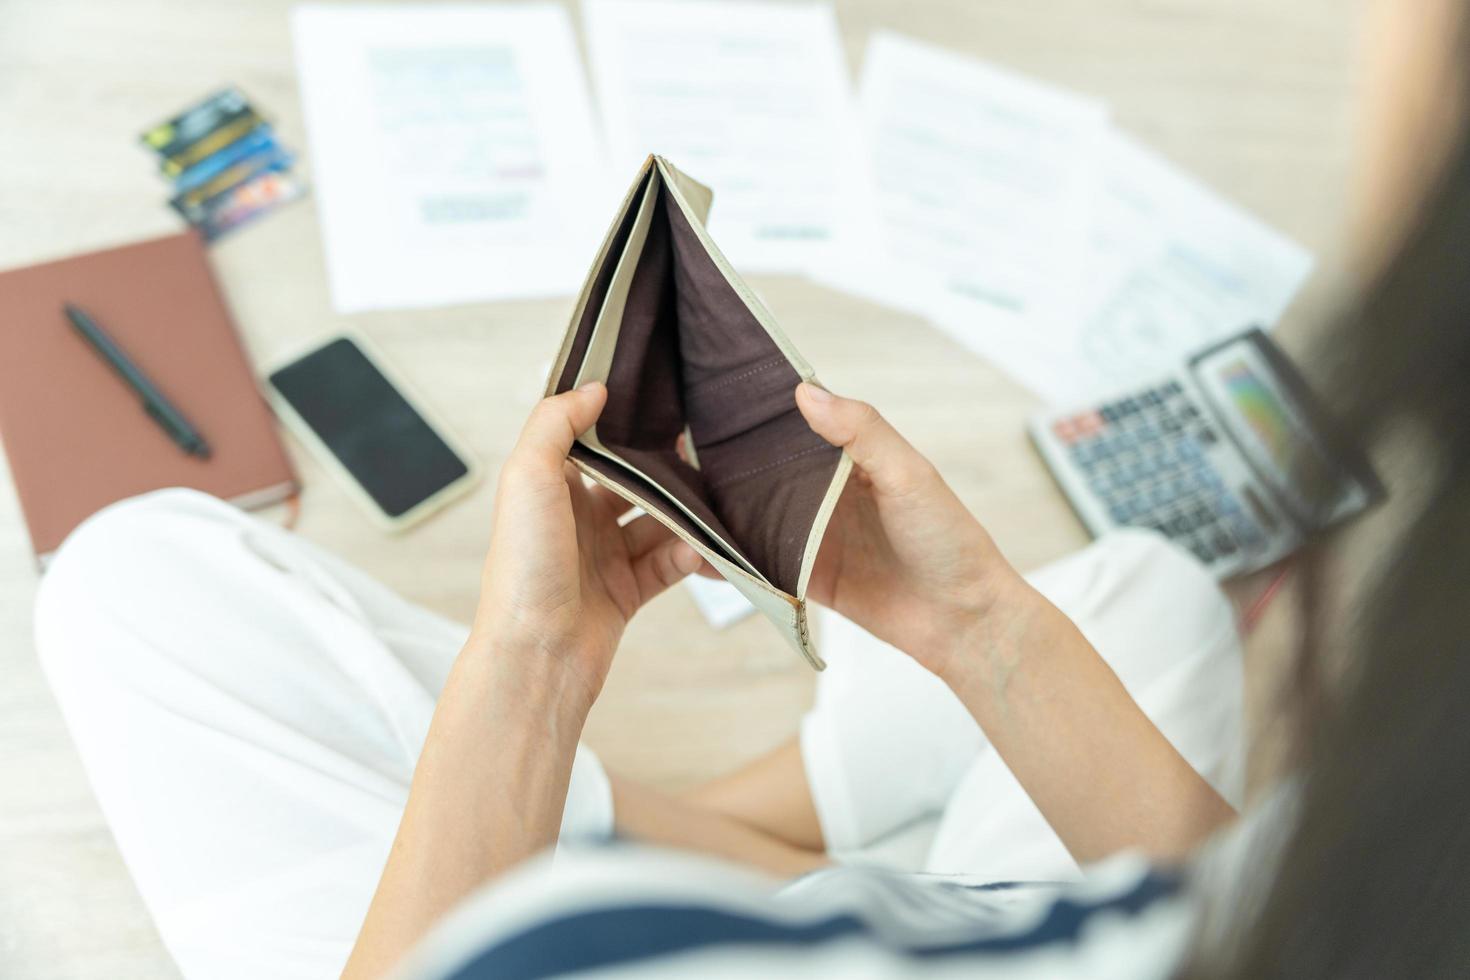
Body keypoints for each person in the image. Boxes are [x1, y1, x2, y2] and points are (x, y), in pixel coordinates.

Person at [33, 0, 1470, 976]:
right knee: (1152, 586)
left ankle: (697, 829)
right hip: (984, 915)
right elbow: (1212, 919)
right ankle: (772, 828)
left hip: (596, 928)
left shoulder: (601, 938)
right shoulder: (1368, 893)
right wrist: (976, 626)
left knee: (127, 577)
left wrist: (532, 675)